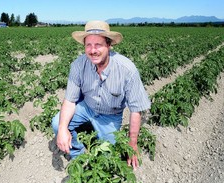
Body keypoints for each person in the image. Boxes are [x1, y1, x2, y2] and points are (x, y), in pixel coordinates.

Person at [51, 20, 150, 170]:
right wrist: (63, 129)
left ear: (109, 45)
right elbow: (70, 101)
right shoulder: (78, 65)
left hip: (110, 116)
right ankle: (78, 155)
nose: (93, 50)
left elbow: (136, 109)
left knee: (107, 159)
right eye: (88, 45)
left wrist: (132, 144)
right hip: (86, 108)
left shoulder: (126, 69)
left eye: (98, 45)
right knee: (57, 123)